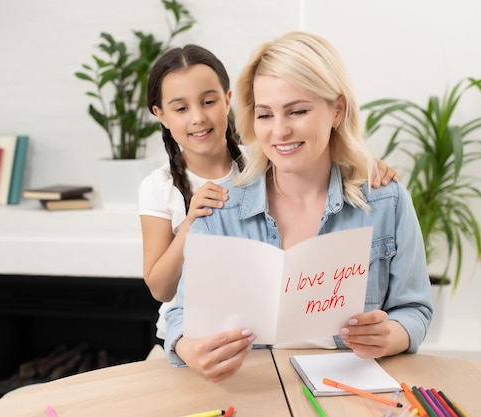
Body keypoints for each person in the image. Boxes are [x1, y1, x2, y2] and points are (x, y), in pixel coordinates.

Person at [163, 32, 432, 382]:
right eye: (265, 115)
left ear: (337, 110)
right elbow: (180, 315)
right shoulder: (219, 208)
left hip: (348, 393)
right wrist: (190, 350)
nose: (280, 131)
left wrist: (389, 336)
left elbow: (414, 310)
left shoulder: (386, 201)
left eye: (298, 111)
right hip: (250, 392)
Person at [139, 44, 400, 341]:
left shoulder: (266, 161)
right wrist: (190, 223)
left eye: (208, 101)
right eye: (181, 108)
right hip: (189, 335)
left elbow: (315, 164)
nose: (198, 118)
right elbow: (161, 290)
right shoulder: (158, 187)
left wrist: (363, 165)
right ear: (160, 114)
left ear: (228, 101)